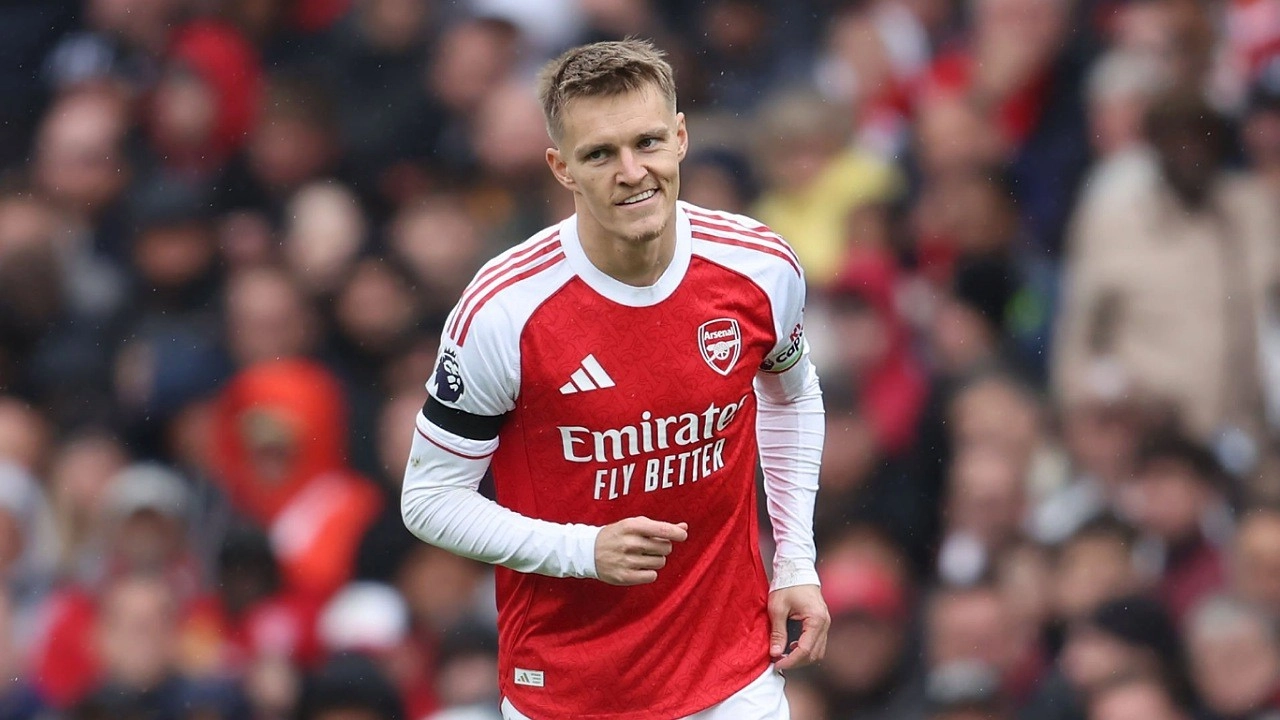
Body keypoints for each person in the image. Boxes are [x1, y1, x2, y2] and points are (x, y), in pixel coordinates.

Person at [400, 39, 828, 719]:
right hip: (568, 691)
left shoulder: (760, 267)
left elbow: (792, 394)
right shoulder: (503, 311)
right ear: (562, 168)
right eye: (600, 154)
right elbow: (428, 499)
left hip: (734, 676)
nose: (633, 172)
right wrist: (582, 550)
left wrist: (796, 560)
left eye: (648, 142)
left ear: (681, 137)